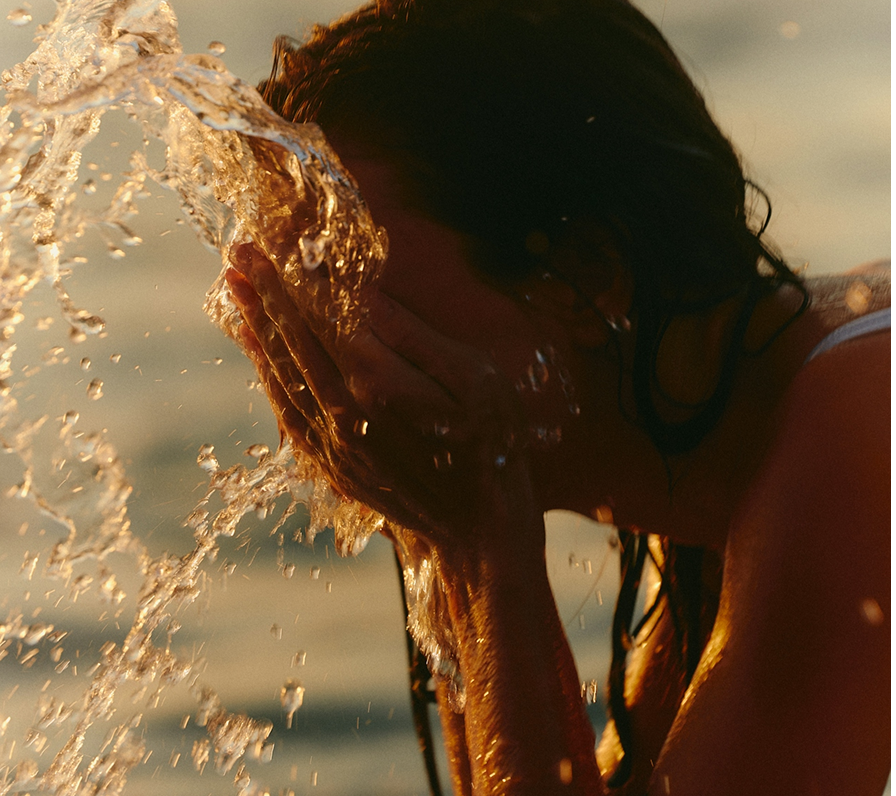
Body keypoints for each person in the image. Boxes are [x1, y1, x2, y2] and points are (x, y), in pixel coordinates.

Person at [224, 1, 891, 793]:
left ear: (586, 276)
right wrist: (439, 537)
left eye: (344, 268)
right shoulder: (732, 433)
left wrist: (476, 544)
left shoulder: (860, 427)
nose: (316, 339)